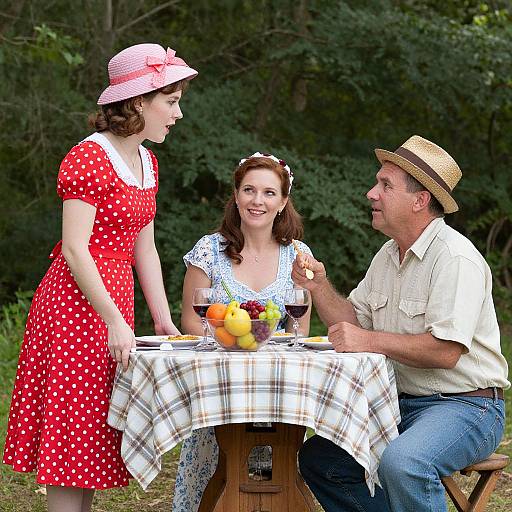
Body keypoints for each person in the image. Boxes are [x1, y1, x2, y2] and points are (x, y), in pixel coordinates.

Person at [2, 43, 197, 512]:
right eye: (170, 101)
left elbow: (143, 247)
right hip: (76, 307)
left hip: (114, 309)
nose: (178, 113)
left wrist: (163, 319)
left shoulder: (147, 163)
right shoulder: (89, 157)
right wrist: (113, 319)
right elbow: (74, 248)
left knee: (89, 443)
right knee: (72, 441)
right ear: (136, 103)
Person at [292, 135, 509, 512]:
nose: (371, 194)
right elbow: (353, 322)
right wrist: (319, 286)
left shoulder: (455, 259)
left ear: (420, 200)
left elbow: (445, 352)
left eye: (385, 185)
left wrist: (368, 340)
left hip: (468, 409)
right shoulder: (388, 254)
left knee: (405, 463)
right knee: (321, 460)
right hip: (400, 406)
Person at [172, 152, 313, 512]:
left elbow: (301, 329)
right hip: (217, 389)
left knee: (264, 479)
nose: (257, 200)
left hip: (273, 392)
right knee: (214, 480)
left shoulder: (298, 255)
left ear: (283, 202)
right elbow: (191, 322)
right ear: (236, 196)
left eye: (269, 193)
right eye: (249, 190)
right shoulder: (209, 249)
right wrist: (228, 339)